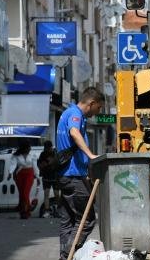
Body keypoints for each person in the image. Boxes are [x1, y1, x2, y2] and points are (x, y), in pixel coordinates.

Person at [56, 87, 104, 260]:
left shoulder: (67, 112)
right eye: (98, 108)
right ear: (91, 103)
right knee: (87, 219)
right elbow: (74, 132)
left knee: (68, 220)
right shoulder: (75, 114)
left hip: (67, 175)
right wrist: (90, 155)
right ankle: (67, 255)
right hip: (72, 176)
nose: (98, 112)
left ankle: (65, 255)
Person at [10, 140, 36, 219]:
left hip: (29, 174)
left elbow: (35, 167)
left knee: (25, 192)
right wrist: (10, 172)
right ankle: (23, 212)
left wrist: (37, 176)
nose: (30, 149)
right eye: (29, 147)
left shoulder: (32, 156)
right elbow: (13, 165)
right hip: (19, 175)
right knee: (22, 194)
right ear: (24, 148)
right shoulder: (16, 156)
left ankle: (27, 209)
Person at [37, 140, 59, 217]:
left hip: (54, 176)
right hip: (46, 176)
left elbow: (58, 162)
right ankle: (47, 211)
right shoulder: (43, 154)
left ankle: (58, 209)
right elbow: (39, 164)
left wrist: (52, 162)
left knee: (57, 194)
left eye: (48, 148)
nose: (48, 150)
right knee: (46, 193)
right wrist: (46, 164)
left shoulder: (55, 153)